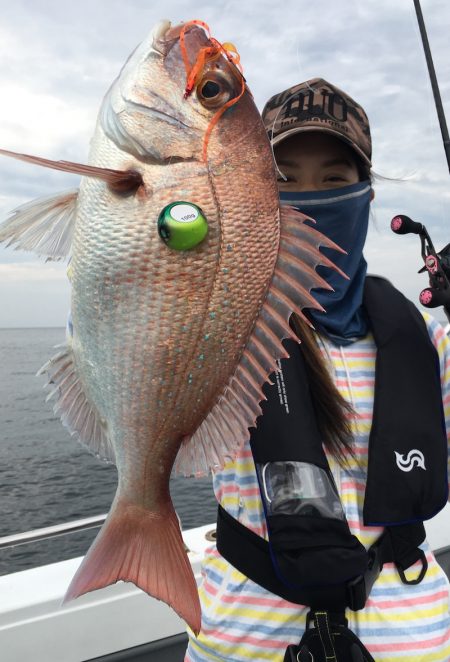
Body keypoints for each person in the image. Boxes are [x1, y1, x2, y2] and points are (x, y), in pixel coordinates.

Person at [185, 78, 450, 661]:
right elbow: (110, 333)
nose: (311, 196)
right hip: (242, 637)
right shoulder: (216, 323)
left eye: (335, 180)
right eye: (282, 180)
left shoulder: (429, 338)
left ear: (367, 195)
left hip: (413, 632)